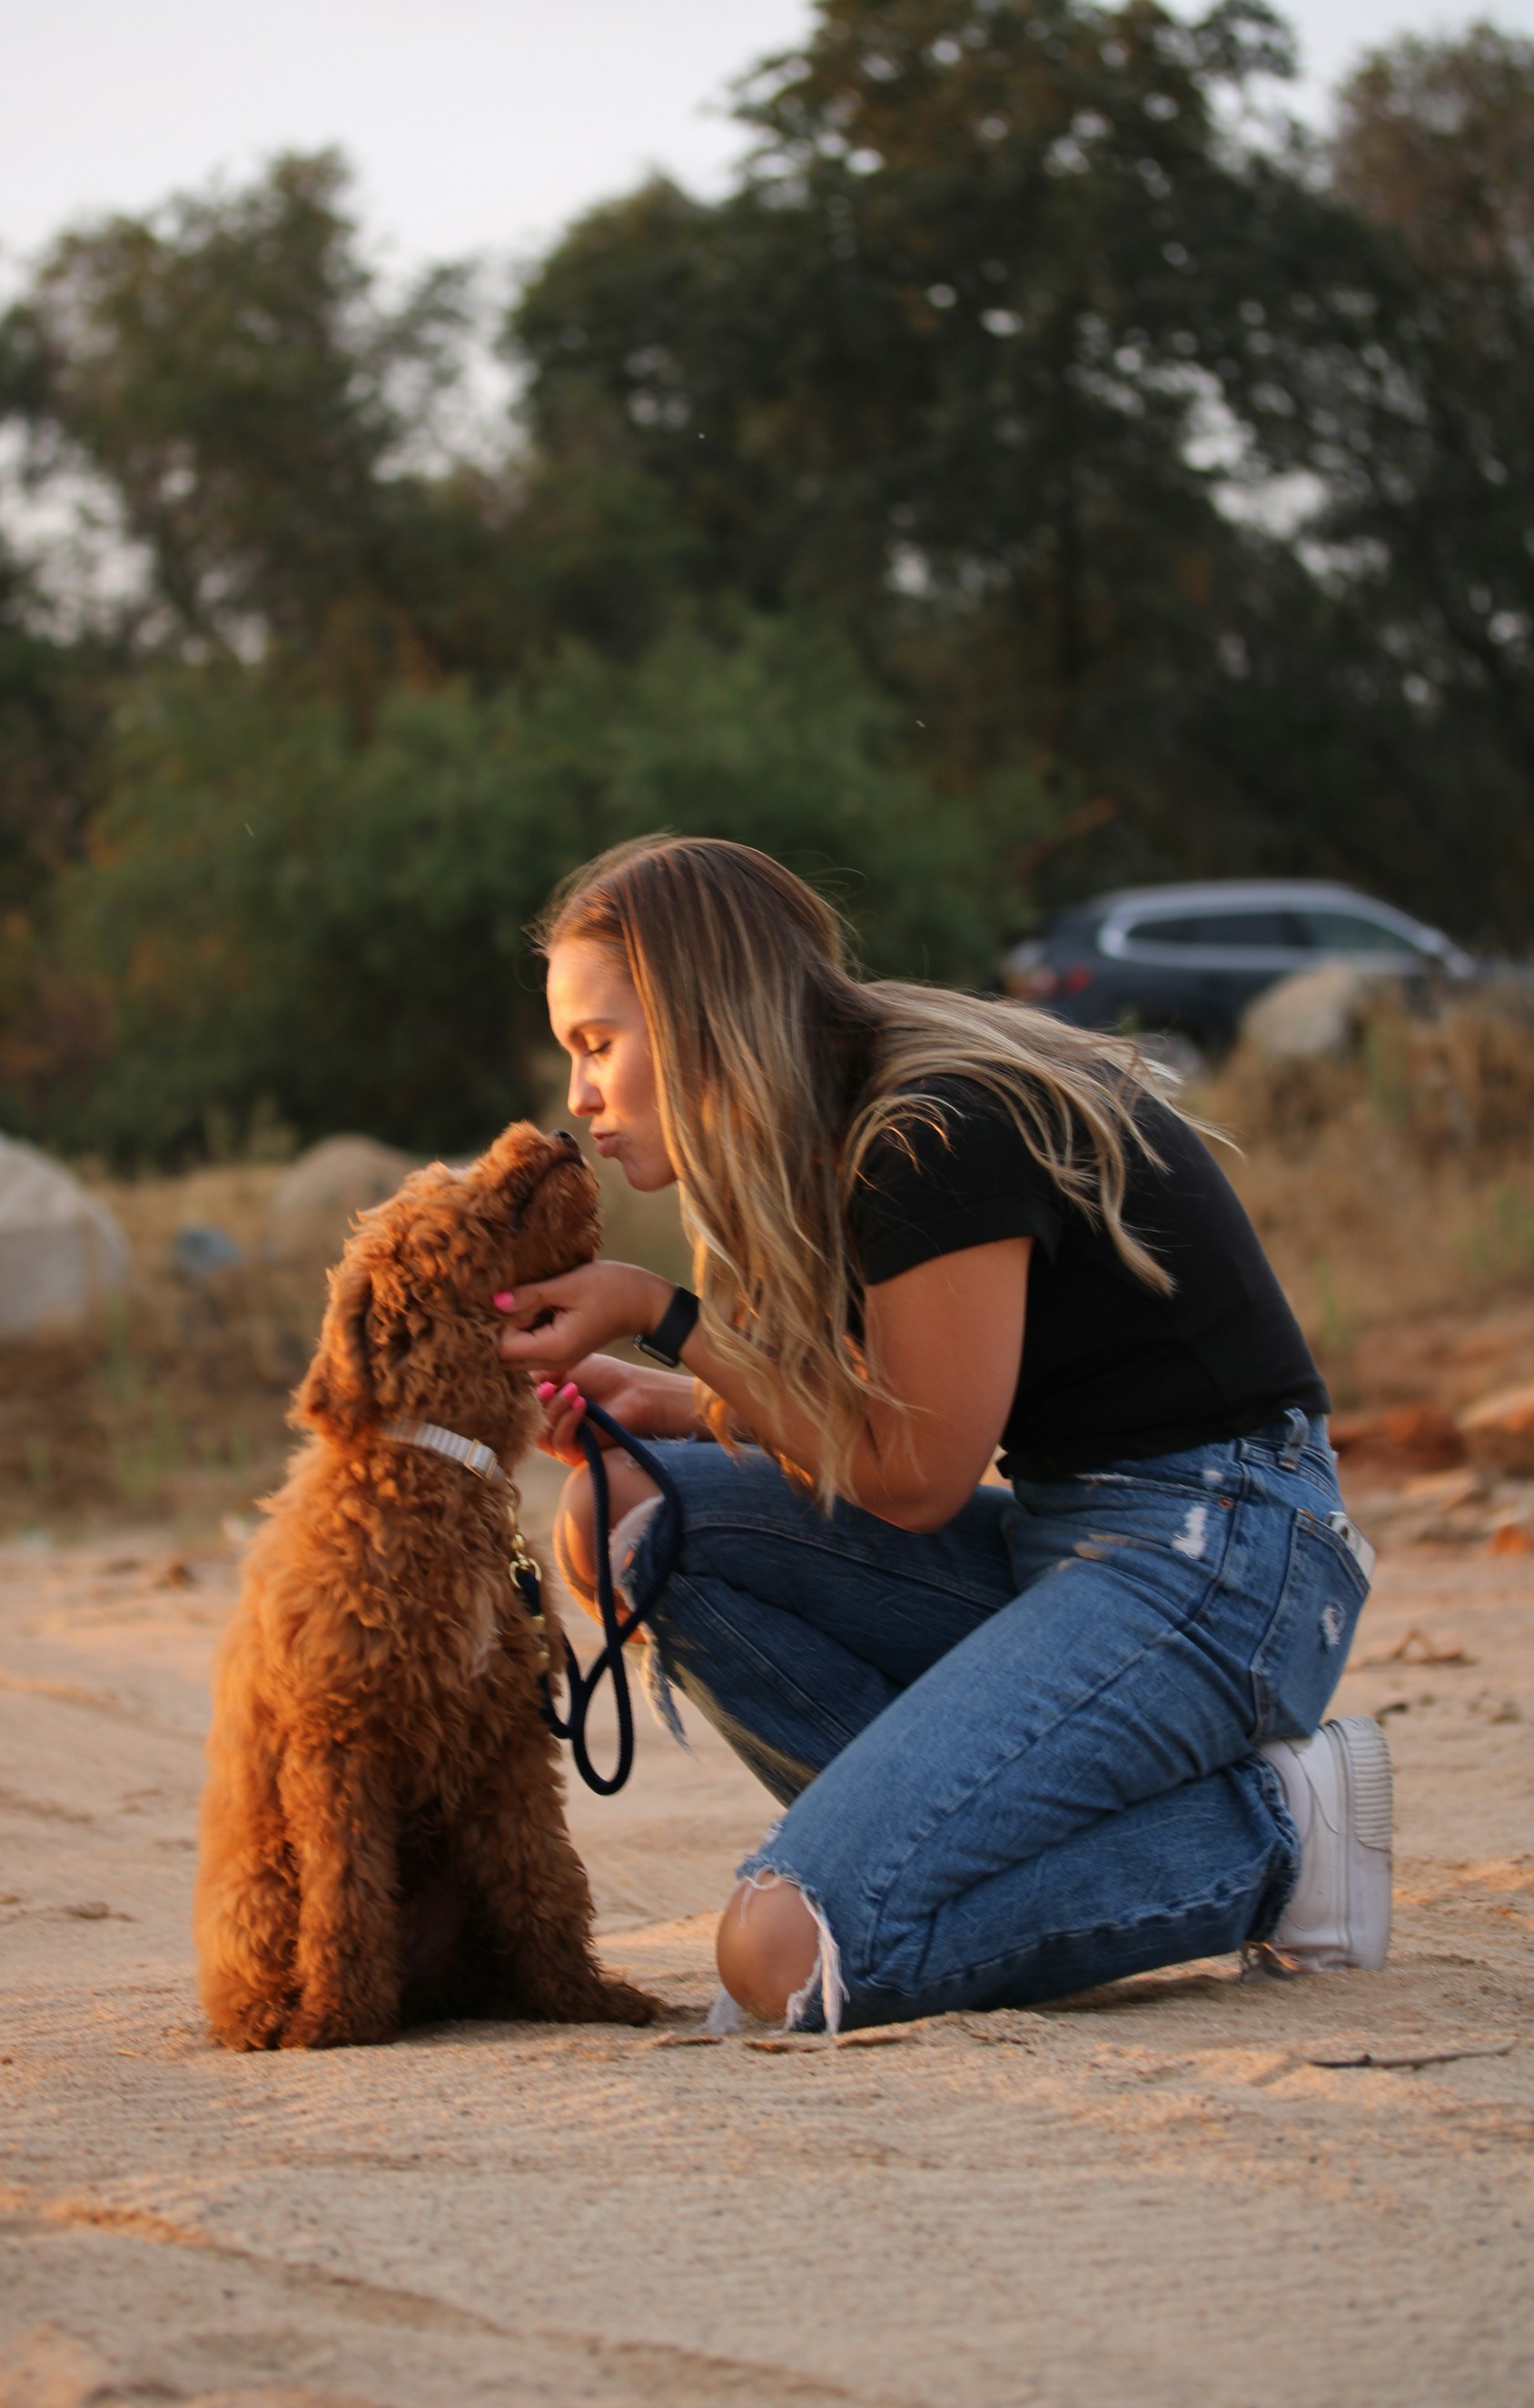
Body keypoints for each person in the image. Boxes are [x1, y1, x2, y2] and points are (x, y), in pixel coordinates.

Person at [494, 836, 1391, 2034]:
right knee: (633, 1513)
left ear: (704, 1011)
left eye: (598, 1044)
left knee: (784, 1957)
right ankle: (929, 1848)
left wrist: (665, 1316)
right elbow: (874, 1408)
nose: (578, 1096)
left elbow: (912, 1475)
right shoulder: (826, 1128)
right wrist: (671, 1402)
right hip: (1075, 1541)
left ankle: (1276, 1840)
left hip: (1223, 1559)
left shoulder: (930, 1128)